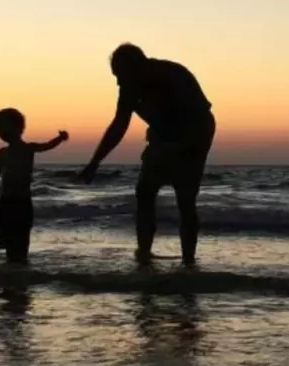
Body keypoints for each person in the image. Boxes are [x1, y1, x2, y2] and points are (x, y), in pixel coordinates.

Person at [78, 43, 215, 266]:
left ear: (137, 67)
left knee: (185, 198)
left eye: (121, 76)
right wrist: (94, 163)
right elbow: (119, 126)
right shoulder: (129, 87)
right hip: (162, 135)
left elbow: (196, 116)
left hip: (195, 132)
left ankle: (188, 260)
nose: (119, 83)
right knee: (144, 191)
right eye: (116, 77)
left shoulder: (172, 74)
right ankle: (144, 253)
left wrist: (182, 147)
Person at [0, 108, 67, 263]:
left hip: (22, 202)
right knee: (8, 244)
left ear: (18, 128)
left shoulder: (28, 148)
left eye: (1, 128)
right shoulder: (2, 152)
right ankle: (12, 279)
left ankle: (20, 275)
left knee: (21, 241)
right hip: (6, 203)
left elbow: (47, 146)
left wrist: (60, 138)